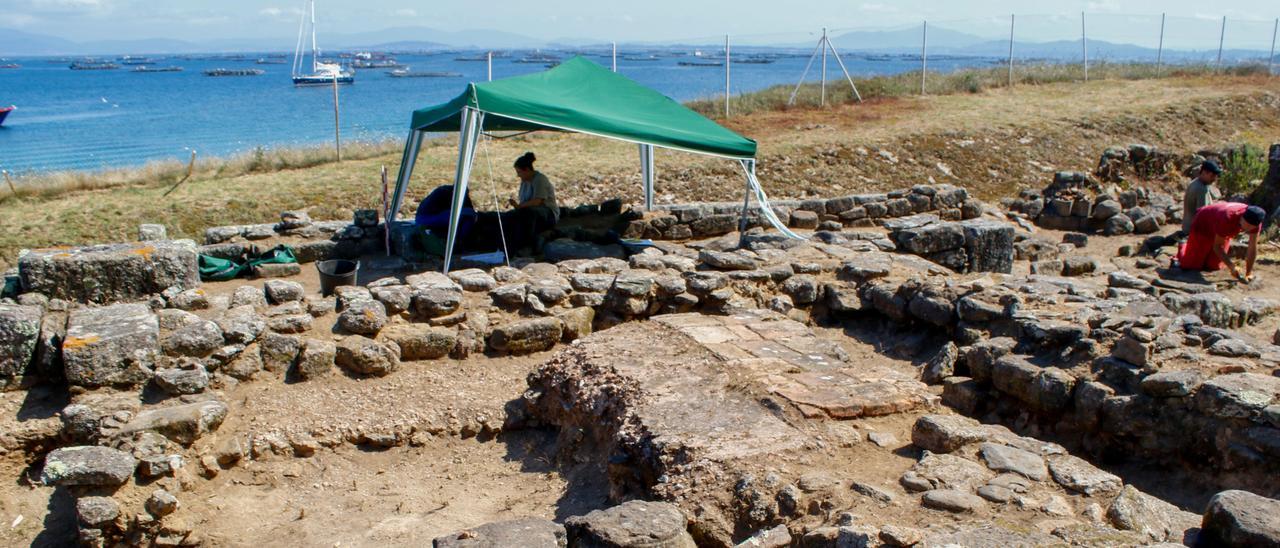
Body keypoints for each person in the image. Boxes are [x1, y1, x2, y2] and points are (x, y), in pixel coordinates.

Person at [1173, 201, 1264, 282]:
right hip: (1203, 224)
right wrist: (1232, 266)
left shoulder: (1256, 222)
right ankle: (1183, 245)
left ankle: (1202, 252)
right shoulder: (1229, 217)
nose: (1248, 229)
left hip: (1222, 230)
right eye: (1247, 225)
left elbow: (1252, 248)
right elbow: (1217, 246)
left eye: (1251, 227)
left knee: (1214, 266)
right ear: (1242, 217)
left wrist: (1248, 273)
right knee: (1190, 265)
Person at [507, 152, 559, 250]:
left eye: (519, 172)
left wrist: (519, 207)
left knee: (529, 214)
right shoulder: (524, 182)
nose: (518, 175)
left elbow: (537, 202)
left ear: (526, 170)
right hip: (532, 213)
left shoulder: (539, 179)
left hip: (548, 214)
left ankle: (528, 244)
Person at [1182, 160, 1222, 235]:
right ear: (1204, 172)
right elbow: (1203, 214)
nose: (1214, 179)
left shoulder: (1195, 182)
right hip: (1194, 231)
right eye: (1212, 176)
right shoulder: (1201, 189)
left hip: (1187, 226)